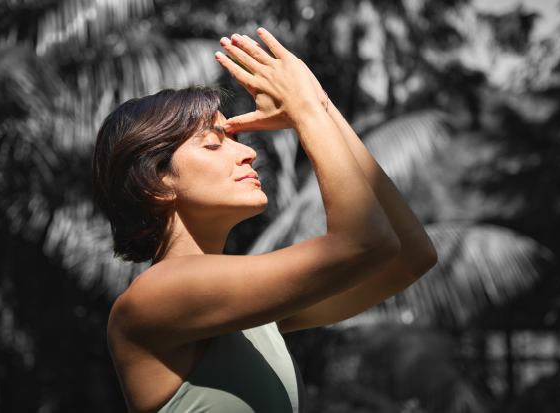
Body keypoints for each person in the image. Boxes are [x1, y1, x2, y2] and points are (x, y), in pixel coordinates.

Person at [92, 28, 437, 413]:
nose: (247, 154)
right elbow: (366, 243)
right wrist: (304, 110)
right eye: (212, 143)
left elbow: (410, 257)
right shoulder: (152, 298)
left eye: (235, 138)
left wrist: (319, 105)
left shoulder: (247, 315)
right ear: (156, 184)